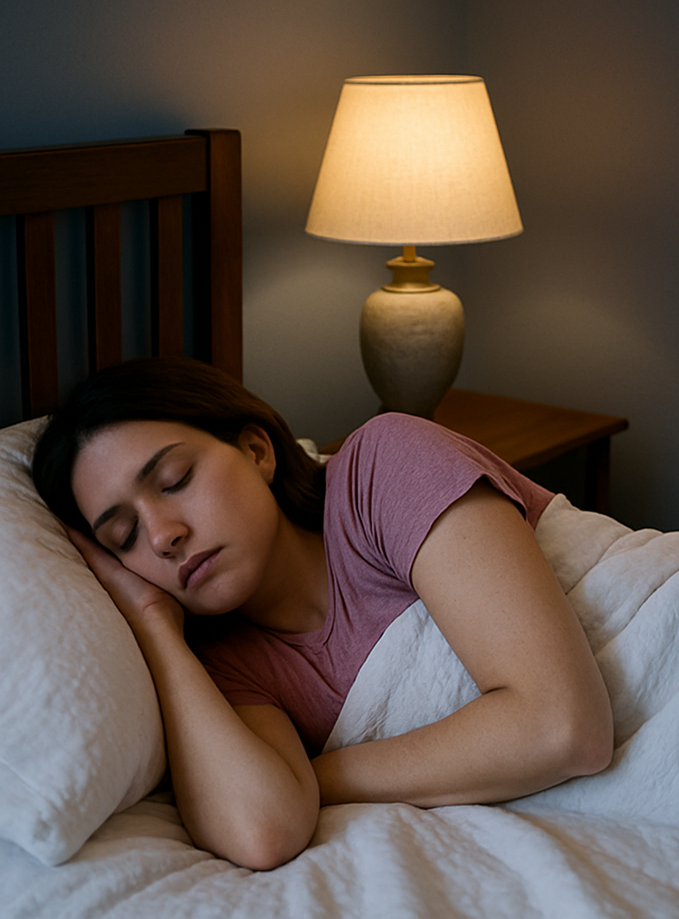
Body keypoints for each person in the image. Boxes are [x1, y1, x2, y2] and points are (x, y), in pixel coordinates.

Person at [32, 357, 613, 871]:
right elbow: (263, 832)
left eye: (175, 480)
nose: (162, 536)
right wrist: (155, 629)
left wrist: (312, 778)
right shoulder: (228, 665)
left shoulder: (381, 469)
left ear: (257, 451)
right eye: (124, 535)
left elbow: (564, 727)